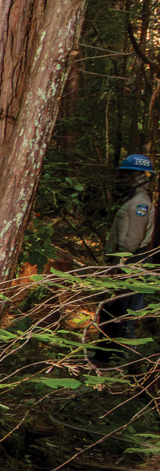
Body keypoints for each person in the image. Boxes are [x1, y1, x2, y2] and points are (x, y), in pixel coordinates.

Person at [99, 153, 157, 357]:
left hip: (129, 260)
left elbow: (131, 240)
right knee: (120, 309)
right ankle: (114, 355)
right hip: (129, 260)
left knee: (119, 310)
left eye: (126, 175)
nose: (121, 179)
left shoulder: (139, 204)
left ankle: (112, 357)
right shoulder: (135, 201)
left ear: (140, 177)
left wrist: (118, 265)